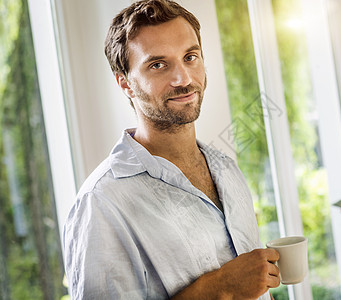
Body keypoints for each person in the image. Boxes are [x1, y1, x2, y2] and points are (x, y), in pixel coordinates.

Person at [63, 0, 280, 299]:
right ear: (125, 84)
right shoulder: (102, 202)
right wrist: (219, 288)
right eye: (158, 65)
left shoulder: (225, 167)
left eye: (190, 57)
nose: (184, 79)